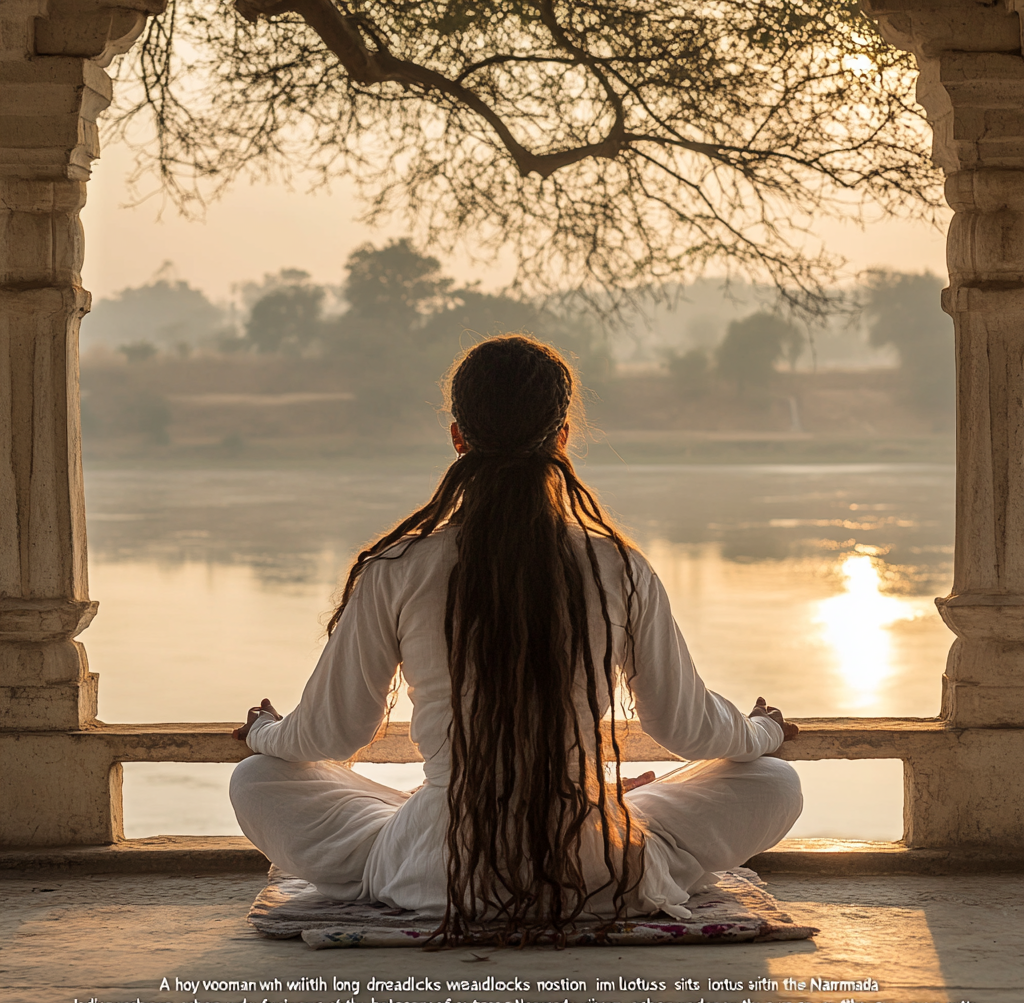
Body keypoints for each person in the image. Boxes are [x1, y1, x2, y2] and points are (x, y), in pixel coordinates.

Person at [229, 335, 801, 944]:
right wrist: (762, 731)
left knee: (258, 780)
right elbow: (689, 730)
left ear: (457, 438)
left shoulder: (398, 567)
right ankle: (599, 809)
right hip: (596, 872)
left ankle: (422, 817)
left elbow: (329, 735)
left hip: (437, 873)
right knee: (772, 783)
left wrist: (264, 733)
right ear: (560, 440)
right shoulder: (618, 567)